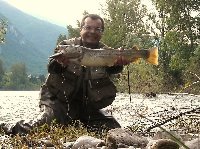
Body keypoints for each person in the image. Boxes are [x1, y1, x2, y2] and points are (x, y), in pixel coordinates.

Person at [1, 14, 130, 135]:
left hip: (87, 107)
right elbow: (51, 67)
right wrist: (60, 64)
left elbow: (113, 71)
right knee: (41, 125)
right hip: (58, 102)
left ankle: (74, 124)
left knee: (113, 129)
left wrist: (119, 64)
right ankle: (6, 127)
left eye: (97, 29)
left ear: (102, 33)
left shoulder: (107, 52)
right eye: (88, 27)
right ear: (81, 29)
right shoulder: (66, 46)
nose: (92, 32)